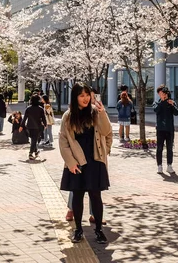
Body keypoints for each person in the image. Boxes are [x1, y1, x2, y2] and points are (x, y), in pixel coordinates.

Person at [59, 82, 111, 244]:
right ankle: (78, 230)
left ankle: (98, 230)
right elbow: (63, 141)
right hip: (77, 162)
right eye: (82, 95)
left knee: (96, 196)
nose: (86, 98)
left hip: (95, 161)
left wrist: (105, 150)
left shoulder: (96, 112)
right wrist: (71, 162)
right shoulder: (68, 116)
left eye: (87, 95)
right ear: (75, 97)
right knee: (78, 196)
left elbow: (106, 132)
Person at [154, 85, 178, 174]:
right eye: (160, 93)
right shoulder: (157, 102)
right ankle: (159, 166)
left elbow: (176, 113)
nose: (162, 95)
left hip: (169, 129)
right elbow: (156, 110)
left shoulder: (171, 102)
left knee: (170, 148)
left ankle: (169, 165)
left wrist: (172, 105)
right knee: (159, 148)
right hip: (160, 129)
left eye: (164, 93)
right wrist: (163, 102)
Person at [20, 94, 47, 160]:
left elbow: (24, 118)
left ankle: (36, 151)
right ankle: (31, 153)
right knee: (34, 140)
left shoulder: (28, 108)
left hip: (29, 126)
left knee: (33, 140)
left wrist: (21, 126)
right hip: (37, 127)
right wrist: (45, 125)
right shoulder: (40, 109)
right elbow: (43, 118)